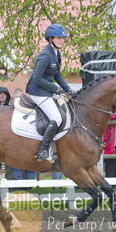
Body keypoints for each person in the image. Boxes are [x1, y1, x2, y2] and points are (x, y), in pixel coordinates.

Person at [25, 23, 76, 162]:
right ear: (50, 39)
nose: (61, 40)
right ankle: (42, 151)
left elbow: (57, 75)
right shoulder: (45, 56)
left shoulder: (56, 53)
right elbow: (37, 78)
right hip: (37, 92)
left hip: (47, 91)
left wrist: (68, 89)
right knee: (57, 118)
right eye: (58, 38)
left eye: (63, 38)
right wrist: (56, 89)